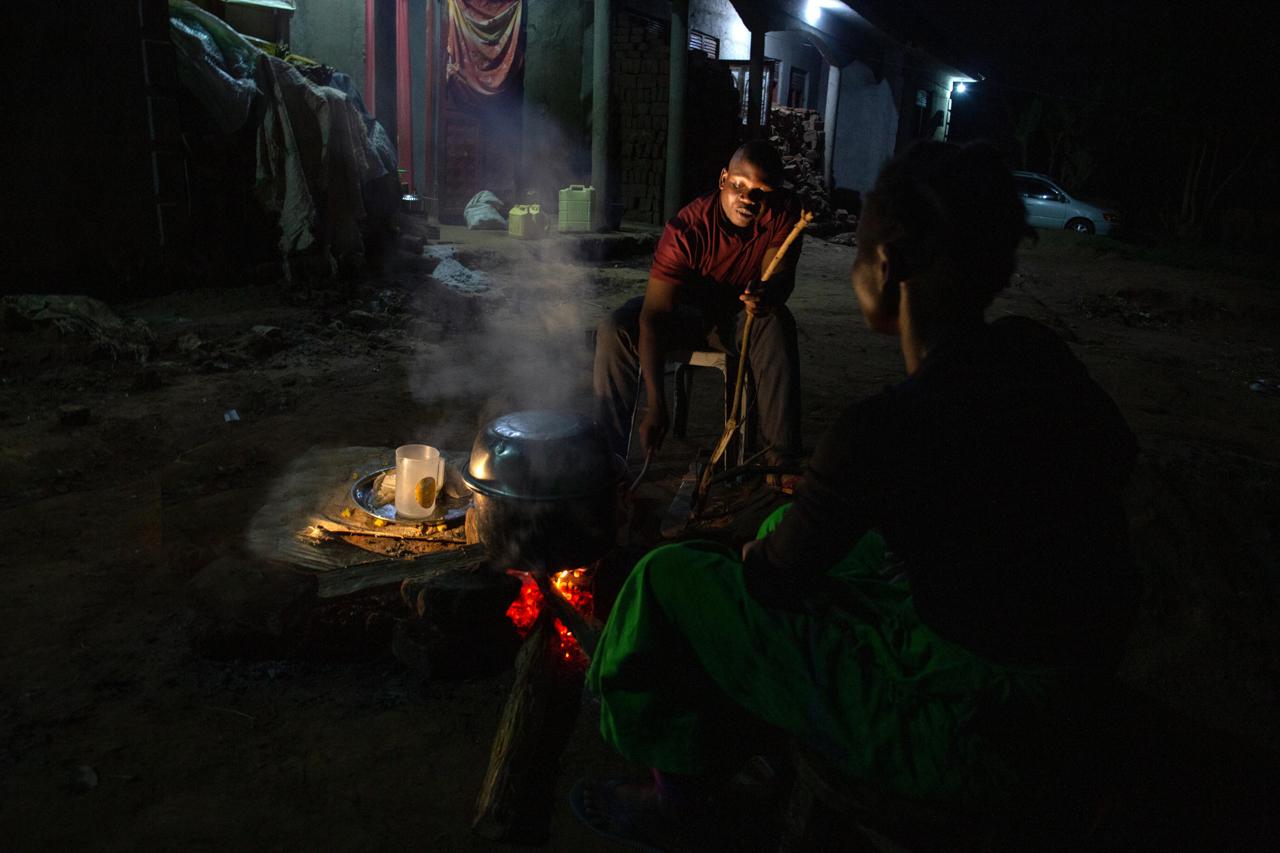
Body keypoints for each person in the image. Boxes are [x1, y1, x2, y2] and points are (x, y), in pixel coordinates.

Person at [572, 142, 1140, 848]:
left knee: (667, 578)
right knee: (797, 520)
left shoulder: (882, 430)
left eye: (859, 247)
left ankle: (680, 798)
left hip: (974, 725)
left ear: (888, 263)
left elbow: (773, 578)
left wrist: (747, 553)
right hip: (1079, 685)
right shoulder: (1034, 350)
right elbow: (1118, 455)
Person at [593, 140, 804, 480]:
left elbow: (779, 277)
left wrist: (766, 294)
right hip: (684, 314)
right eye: (739, 186)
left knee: (777, 321)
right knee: (615, 330)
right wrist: (656, 405)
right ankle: (606, 459)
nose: (748, 200)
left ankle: (781, 463)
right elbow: (656, 315)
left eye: (760, 192)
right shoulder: (687, 230)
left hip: (738, 316)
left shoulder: (785, 212)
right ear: (723, 180)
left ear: (775, 193)